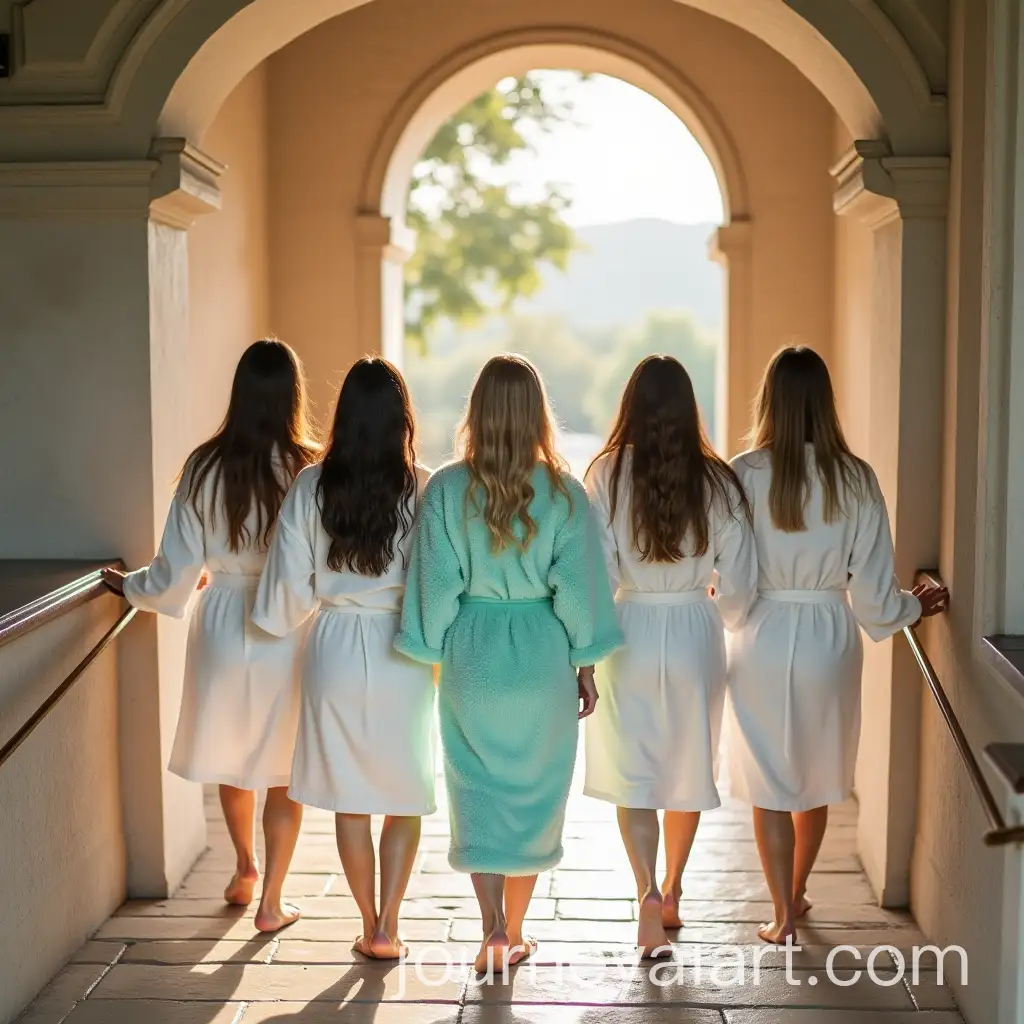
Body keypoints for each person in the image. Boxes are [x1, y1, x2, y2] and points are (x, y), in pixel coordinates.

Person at [394, 354, 622, 974]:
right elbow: (578, 592)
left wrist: (428, 649)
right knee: (534, 797)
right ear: (536, 414)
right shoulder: (566, 494)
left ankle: (489, 926)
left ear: (476, 412)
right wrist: (585, 665)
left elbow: (435, 586)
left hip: (473, 654)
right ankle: (514, 931)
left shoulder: (444, 487)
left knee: (476, 792)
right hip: (543, 656)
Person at [726, 345, 949, 944]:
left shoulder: (744, 473)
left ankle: (779, 917)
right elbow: (875, 592)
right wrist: (911, 607)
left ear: (769, 399)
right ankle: (798, 894)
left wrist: (729, 615)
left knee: (768, 778)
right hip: (829, 630)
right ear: (826, 401)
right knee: (818, 771)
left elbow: (733, 573)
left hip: (762, 631)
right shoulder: (856, 477)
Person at [101, 339, 320, 932]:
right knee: (284, 763)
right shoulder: (311, 467)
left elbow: (173, 572)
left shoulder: (203, 465)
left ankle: (245, 867)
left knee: (232, 754)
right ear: (293, 395)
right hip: (290, 622)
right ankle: (273, 897)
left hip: (223, 615)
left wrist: (129, 587)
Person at [252, 357, 436, 960]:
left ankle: (368, 925)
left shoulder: (311, 484)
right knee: (404, 791)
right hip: (400, 651)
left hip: (332, 644)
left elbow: (289, 582)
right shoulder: (422, 485)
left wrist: (276, 620)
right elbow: (432, 580)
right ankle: (392, 923)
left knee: (352, 798)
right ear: (400, 418)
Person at [583, 355, 757, 958]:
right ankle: (677, 888)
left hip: (628, 627)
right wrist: (722, 608)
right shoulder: (717, 480)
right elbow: (738, 583)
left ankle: (647, 892)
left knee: (635, 772)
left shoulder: (606, 472)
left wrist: (587, 649)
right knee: (688, 766)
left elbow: (598, 572)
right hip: (692, 628)